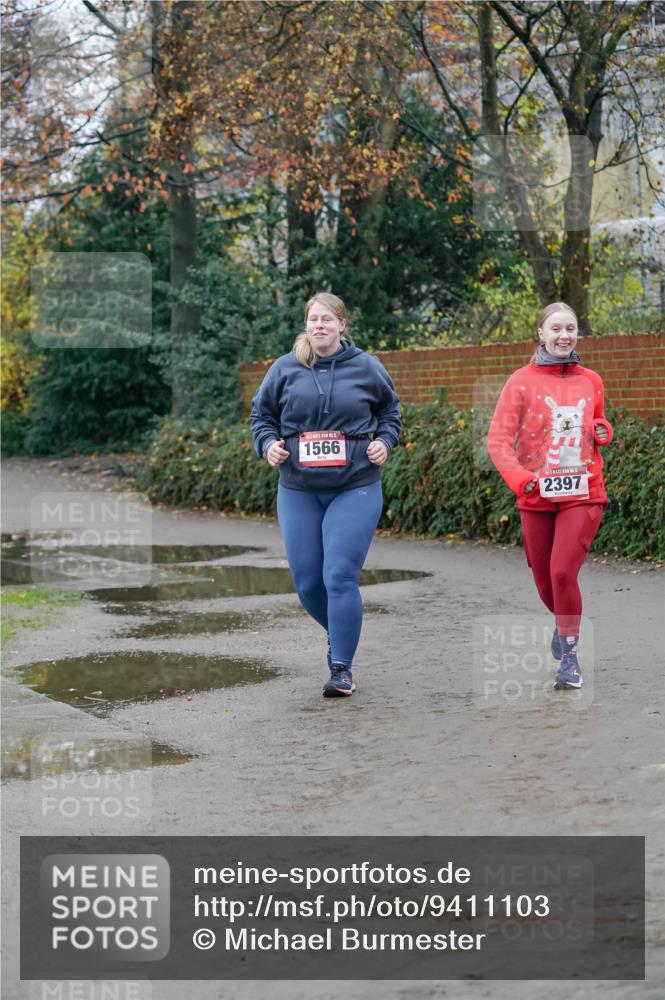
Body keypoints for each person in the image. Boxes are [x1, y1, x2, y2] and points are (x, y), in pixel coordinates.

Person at [250, 292, 401, 698]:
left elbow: (391, 413)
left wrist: (384, 442)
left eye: (327, 320)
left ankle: (341, 668)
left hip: (356, 484)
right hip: (298, 488)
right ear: (307, 326)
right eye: (313, 320)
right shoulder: (284, 368)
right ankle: (340, 633)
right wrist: (268, 445)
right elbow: (261, 417)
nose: (319, 326)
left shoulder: (367, 367)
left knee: (339, 576)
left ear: (341, 325)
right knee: (307, 584)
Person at [487, 301, 613, 690]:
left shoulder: (590, 379)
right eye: (556, 328)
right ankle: (563, 625)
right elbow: (498, 440)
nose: (564, 336)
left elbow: (599, 422)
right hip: (536, 493)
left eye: (570, 328)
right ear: (540, 333)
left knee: (562, 572)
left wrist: (601, 429)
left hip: (583, 491)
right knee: (545, 583)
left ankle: (571, 659)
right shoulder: (520, 381)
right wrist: (522, 479)